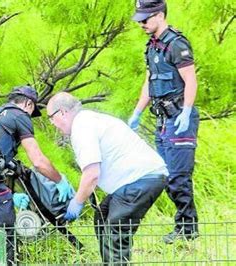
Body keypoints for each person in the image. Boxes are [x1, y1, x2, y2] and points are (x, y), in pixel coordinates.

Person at [0, 85, 74, 264]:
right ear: (28, 103)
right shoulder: (19, 116)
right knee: (7, 227)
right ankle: (7, 262)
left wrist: (11, 195)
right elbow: (38, 161)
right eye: (32, 110)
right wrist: (59, 180)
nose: (30, 116)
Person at [47, 92, 168, 264]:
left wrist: (77, 202)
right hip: (136, 180)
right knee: (102, 218)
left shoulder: (82, 127)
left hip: (141, 178)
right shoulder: (89, 120)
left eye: (51, 118)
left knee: (115, 231)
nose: (52, 123)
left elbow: (92, 174)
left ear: (62, 113)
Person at [128, 0, 200, 244]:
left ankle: (188, 230)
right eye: (139, 19)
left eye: (145, 19)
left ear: (159, 15)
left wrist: (187, 111)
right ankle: (185, 226)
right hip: (162, 121)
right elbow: (150, 83)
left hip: (179, 118)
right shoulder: (152, 47)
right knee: (166, 176)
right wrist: (137, 112)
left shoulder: (176, 44)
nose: (141, 24)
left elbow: (190, 80)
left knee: (179, 178)